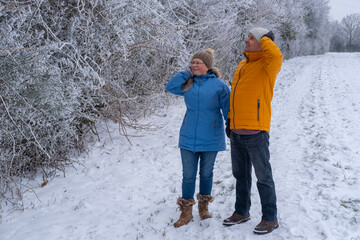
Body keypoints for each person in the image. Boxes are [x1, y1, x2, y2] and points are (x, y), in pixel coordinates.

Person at [222, 27, 283, 234]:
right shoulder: (242, 64)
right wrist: (230, 121)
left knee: (263, 177)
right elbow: (235, 96)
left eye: (252, 38)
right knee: (241, 175)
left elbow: (275, 54)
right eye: (247, 37)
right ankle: (241, 212)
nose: (247, 40)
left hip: (256, 131)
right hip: (237, 131)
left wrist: (264, 37)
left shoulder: (268, 65)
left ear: (264, 42)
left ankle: (270, 218)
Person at [166, 48, 230, 228]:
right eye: (192, 62)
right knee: (188, 175)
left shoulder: (219, 85)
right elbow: (170, 87)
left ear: (207, 66)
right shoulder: (188, 83)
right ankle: (186, 211)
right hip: (188, 136)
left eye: (197, 63)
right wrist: (185, 73)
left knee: (206, 173)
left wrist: (230, 126)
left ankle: (203, 207)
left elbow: (227, 108)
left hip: (211, 135)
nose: (193, 65)